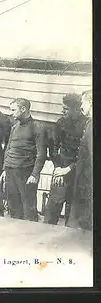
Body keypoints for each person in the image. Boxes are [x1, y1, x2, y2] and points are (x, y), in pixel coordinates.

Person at [0, 98, 47, 222]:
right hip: (10, 171)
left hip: (26, 173)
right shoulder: (14, 127)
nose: (11, 113)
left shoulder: (38, 127)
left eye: (14, 110)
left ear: (23, 109)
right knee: (13, 207)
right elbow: (8, 148)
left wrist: (34, 174)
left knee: (28, 209)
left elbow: (41, 154)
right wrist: (5, 169)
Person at [44, 93, 87, 225]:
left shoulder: (87, 124)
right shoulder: (60, 123)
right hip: (60, 171)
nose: (62, 111)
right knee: (52, 210)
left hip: (78, 173)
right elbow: (53, 148)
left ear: (76, 109)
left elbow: (85, 155)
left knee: (72, 211)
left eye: (66, 109)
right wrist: (58, 169)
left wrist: (68, 169)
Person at [63, 90, 92, 231]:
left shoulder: (91, 125)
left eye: (84, 103)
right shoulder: (89, 124)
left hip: (87, 182)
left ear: (91, 103)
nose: (82, 107)